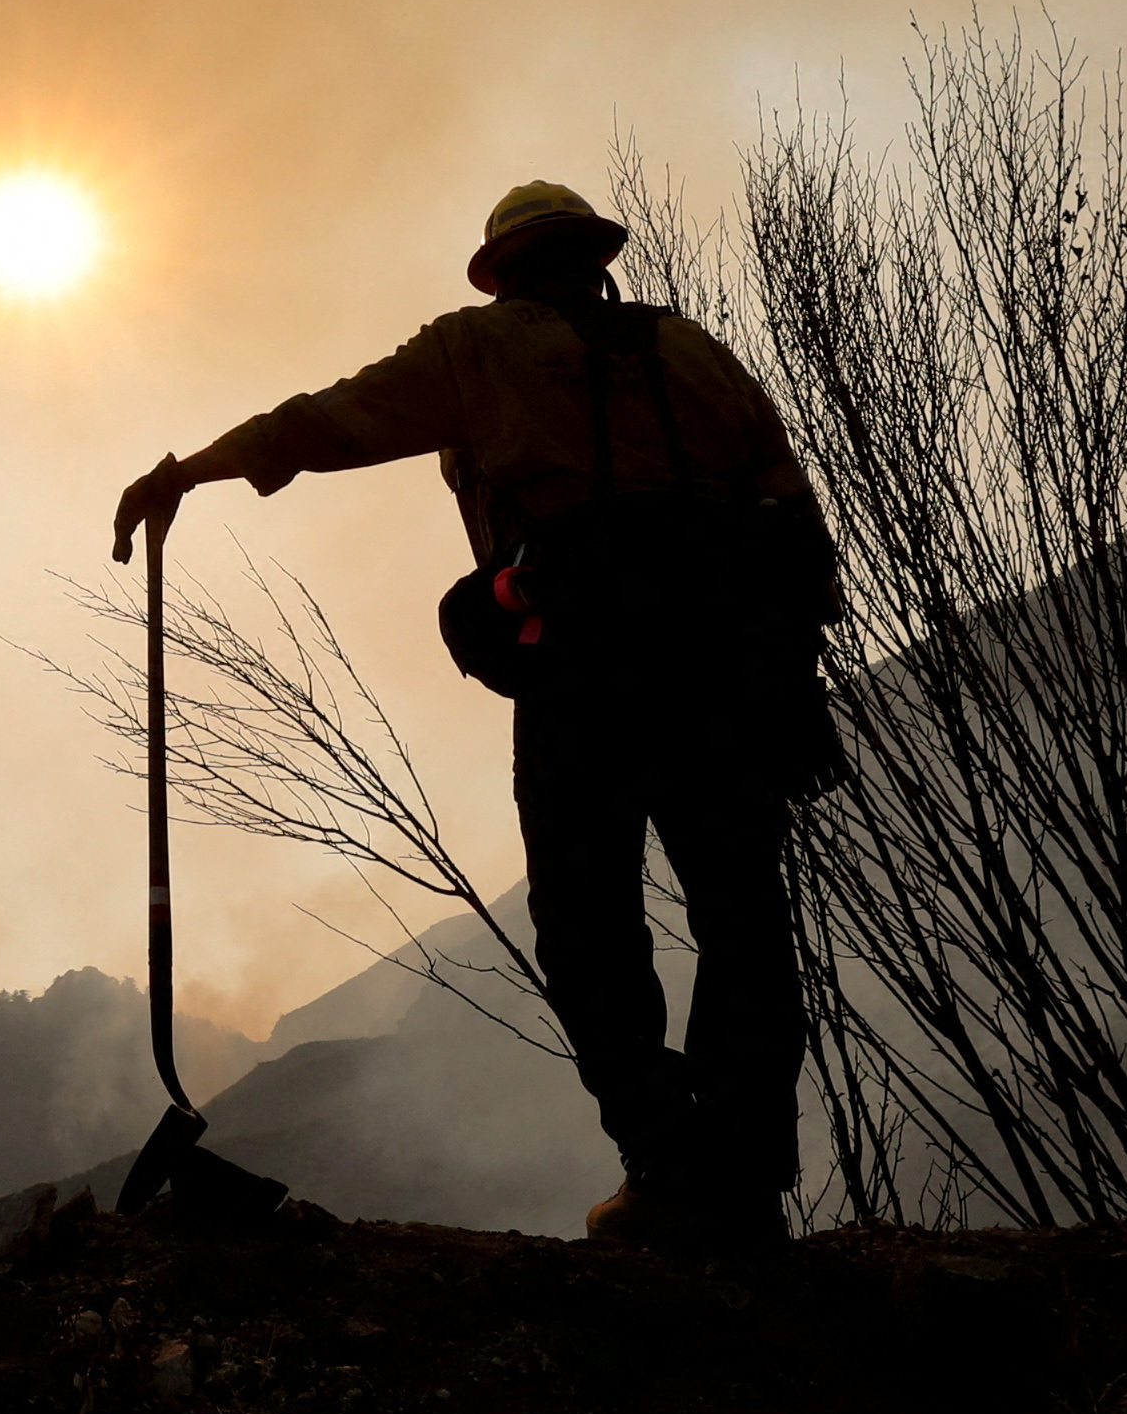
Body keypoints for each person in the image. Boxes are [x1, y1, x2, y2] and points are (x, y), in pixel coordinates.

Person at [111, 181, 839, 1252]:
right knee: (742, 919)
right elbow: (795, 523)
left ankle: (666, 1162)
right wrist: (788, 670)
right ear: (595, 259)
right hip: (728, 665)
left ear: (500, 271)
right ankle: (739, 1176)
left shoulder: (479, 349)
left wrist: (190, 469)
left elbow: (323, 422)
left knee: (586, 921)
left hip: (587, 665)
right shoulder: (697, 353)